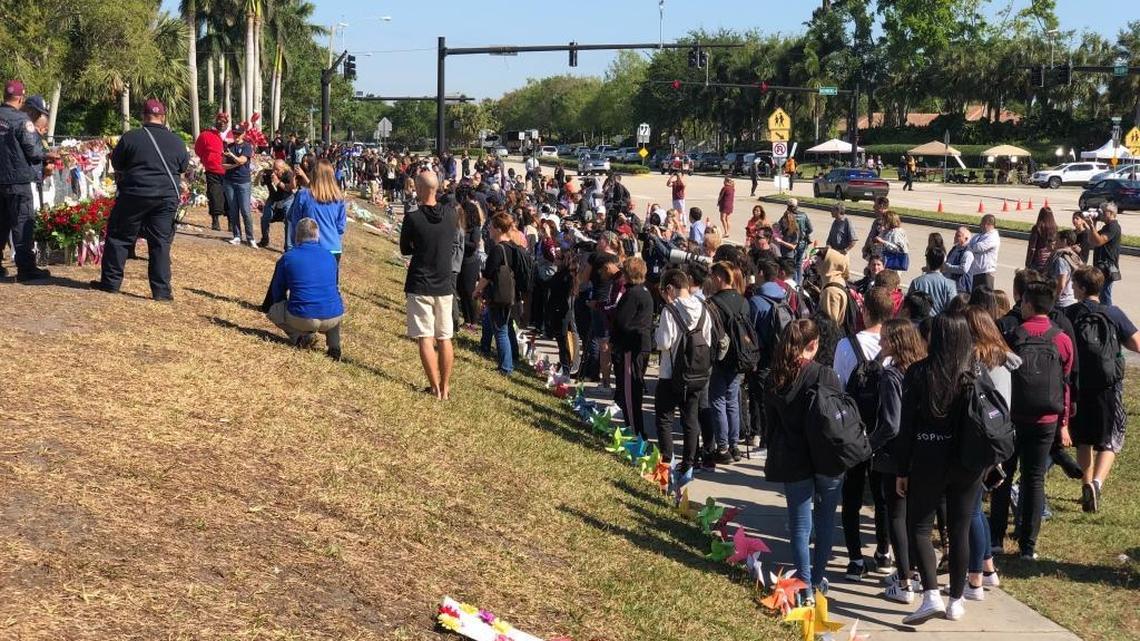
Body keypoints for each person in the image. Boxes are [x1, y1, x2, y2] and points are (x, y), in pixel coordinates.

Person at [895, 313, 988, 624]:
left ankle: (931, 594)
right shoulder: (972, 375)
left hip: (927, 456)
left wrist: (901, 468)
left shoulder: (919, 373)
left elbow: (905, 426)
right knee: (959, 530)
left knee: (919, 527)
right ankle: (957, 600)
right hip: (966, 463)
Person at [765, 318, 843, 603]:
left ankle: (805, 586)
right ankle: (819, 575)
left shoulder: (776, 377)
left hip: (792, 456)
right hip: (826, 458)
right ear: (814, 345)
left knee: (800, 525)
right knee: (824, 521)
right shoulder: (825, 375)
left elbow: (770, 425)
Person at [1001, 282, 1073, 561]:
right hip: (1047, 418)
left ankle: (996, 538)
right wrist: (1063, 422)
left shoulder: (1014, 335)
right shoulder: (1062, 338)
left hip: (1015, 416)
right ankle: (1028, 545)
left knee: (1004, 475)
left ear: (1028, 305)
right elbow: (1066, 383)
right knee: (1034, 478)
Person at [92, 99, 189, 301]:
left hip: (135, 193)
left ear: (143, 116)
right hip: (165, 197)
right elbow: (182, 167)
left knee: (119, 238)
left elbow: (117, 162)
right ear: (163, 117)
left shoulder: (131, 137)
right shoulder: (177, 141)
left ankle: (111, 283)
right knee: (160, 243)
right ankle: (162, 292)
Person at [1066, 266, 1140, 512]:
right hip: (1108, 386)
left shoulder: (1069, 314)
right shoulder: (1113, 313)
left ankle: (1085, 485)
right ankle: (1097, 484)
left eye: (1075, 284)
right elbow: (1137, 344)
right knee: (1111, 439)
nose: (1072, 288)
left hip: (1078, 385)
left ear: (1083, 288)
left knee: (1083, 440)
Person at [833, 287, 895, 580]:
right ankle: (884, 551)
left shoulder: (846, 346)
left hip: (854, 429)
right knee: (882, 495)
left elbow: (838, 387)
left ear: (865, 311)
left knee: (852, 494)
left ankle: (855, 558)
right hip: (884, 431)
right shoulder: (894, 348)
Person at [873, 319, 927, 604]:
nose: (880, 344)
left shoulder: (891, 376)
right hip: (924, 453)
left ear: (896, 342)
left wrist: (869, 445)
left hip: (895, 455)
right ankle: (914, 572)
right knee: (916, 520)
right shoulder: (924, 368)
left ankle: (904, 581)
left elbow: (891, 424)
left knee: (896, 516)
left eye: (884, 339)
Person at [963, 307, 1013, 594]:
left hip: (981, 437)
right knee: (976, 506)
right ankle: (988, 566)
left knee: (970, 509)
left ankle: (975, 577)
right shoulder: (1003, 356)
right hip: (1000, 435)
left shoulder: (977, 359)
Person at [399, 169, 460, 400]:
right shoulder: (451, 215)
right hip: (444, 283)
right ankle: (445, 386)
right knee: (444, 337)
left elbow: (405, 249)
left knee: (425, 336)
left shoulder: (413, 217)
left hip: (420, 282)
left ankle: (434, 386)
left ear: (419, 188)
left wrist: (420, 246)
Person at [655, 268, 712, 491]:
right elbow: (707, 339)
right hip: (698, 374)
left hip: (671, 374)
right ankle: (688, 465)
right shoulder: (704, 308)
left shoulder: (669, 310)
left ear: (670, 288)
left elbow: (663, 343)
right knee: (690, 420)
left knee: (665, 418)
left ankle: (666, 461)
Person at [262, 218, 344, 360]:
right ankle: (334, 346)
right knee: (330, 302)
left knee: (274, 311)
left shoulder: (287, 258)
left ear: (296, 235)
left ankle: (300, 337)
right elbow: (333, 287)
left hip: (303, 317)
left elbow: (278, 291)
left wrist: (285, 305)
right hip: (334, 317)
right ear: (318, 235)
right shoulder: (331, 257)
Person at [0, 79, 50, 281]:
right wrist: (48, 155)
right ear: (21, 98)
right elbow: (34, 152)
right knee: (22, 222)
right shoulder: (22, 121)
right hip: (17, 180)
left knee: (0, 222)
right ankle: (26, 268)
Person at [706, 262, 751, 463]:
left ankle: (722, 447)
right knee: (733, 400)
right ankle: (734, 446)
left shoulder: (713, 303)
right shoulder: (743, 301)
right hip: (740, 357)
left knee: (717, 400)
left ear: (719, 277)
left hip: (720, 357)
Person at [474, 212, 528, 376]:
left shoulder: (498, 250)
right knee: (503, 327)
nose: (489, 230)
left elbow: (488, 275)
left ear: (498, 229)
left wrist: (477, 290)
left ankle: (506, 367)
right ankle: (509, 362)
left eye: (491, 227)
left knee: (501, 331)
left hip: (499, 295)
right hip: (510, 294)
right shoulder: (513, 247)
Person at [612, 257, 653, 440]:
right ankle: (634, 427)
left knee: (630, 393)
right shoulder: (644, 291)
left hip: (631, 347)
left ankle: (635, 432)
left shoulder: (633, 294)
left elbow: (621, 321)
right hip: (640, 345)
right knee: (632, 390)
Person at [287, 159, 346, 261]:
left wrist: (294, 244)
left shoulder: (303, 195)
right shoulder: (339, 198)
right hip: (333, 249)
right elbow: (340, 227)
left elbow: (295, 222)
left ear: (313, 174)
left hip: (309, 248)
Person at [1076, 202, 1122, 306]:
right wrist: (1093, 225)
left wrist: (1092, 226)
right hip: (1101, 266)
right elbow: (1092, 241)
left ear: (1110, 213)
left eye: (1102, 212)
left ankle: (1108, 317)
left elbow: (1099, 241)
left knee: (1105, 296)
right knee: (1101, 295)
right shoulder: (1106, 227)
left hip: (1107, 268)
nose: (1100, 214)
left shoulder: (1113, 227)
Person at [194, 112, 229, 231]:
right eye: (220, 121)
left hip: (229, 171)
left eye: (224, 122)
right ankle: (215, 220)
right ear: (216, 121)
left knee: (229, 196)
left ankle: (231, 222)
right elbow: (198, 150)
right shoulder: (206, 135)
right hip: (213, 170)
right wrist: (207, 160)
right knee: (214, 195)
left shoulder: (232, 136)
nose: (222, 124)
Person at [222, 125, 256, 247]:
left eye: (238, 133)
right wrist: (235, 165)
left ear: (243, 134)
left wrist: (232, 157)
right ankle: (237, 235)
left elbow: (243, 160)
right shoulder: (229, 147)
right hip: (229, 182)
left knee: (245, 210)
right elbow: (223, 165)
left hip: (243, 182)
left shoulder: (247, 146)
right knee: (233, 210)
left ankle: (250, 237)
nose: (236, 136)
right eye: (234, 133)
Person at [908, 247, 957, 316]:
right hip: (940, 322)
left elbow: (908, 304)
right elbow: (953, 307)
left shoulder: (916, 282)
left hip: (921, 322)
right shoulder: (950, 284)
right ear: (942, 263)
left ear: (927, 262)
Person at [259, 159, 296, 250]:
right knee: (265, 217)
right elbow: (261, 183)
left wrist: (278, 182)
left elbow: (289, 189)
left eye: (278, 169)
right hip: (273, 199)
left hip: (287, 199)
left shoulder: (288, 174)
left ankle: (288, 247)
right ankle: (264, 239)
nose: (275, 171)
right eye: (274, 168)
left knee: (288, 220)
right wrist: (262, 178)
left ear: (283, 169)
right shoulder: (270, 174)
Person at [816, 247, 851, 329]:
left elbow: (830, 327)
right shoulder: (838, 281)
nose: (816, 263)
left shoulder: (831, 291)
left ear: (828, 264)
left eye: (819, 260)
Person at [1048, 229, 1083, 309]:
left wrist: (1054, 299)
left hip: (1062, 303)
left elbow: (1061, 284)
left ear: (1064, 241)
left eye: (1057, 240)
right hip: (1072, 299)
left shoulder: (1061, 259)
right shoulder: (1073, 255)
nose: (1055, 242)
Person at [967, 214, 1000, 292]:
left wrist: (971, 246)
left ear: (988, 224)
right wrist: (971, 246)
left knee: (985, 298)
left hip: (986, 273)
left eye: (982, 223)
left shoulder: (993, 237)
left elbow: (979, 247)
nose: (980, 225)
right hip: (976, 272)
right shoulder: (979, 235)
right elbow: (969, 244)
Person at [943, 226, 975, 294]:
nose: (955, 237)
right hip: (950, 286)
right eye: (955, 235)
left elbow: (963, 269)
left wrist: (947, 267)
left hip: (961, 289)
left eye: (958, 236)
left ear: (966, 239)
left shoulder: (968, 252)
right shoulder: (955, 248)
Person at [1024, 206, 1057, 272]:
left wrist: (1028, 262)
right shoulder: (1055, 228)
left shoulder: (1037, 228)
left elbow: (1032, 247)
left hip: (1037, 259)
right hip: (1048, 259)